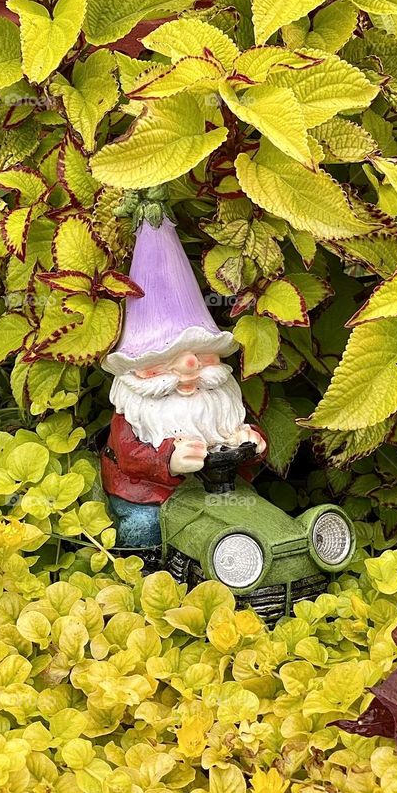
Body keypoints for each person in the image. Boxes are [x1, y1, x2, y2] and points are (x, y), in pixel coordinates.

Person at [100, 217, 266, 547]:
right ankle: (145, 563)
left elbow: (237, 429)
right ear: (134, 371)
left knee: (252, 513)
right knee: (144, 527)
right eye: (162, 363)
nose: (189, 369)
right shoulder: (134, 412)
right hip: (149, 493)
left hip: (217, 489)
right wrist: (169, 460)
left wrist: (252, 441)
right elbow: (130, 455)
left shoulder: (217, 399)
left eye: (202, 356)